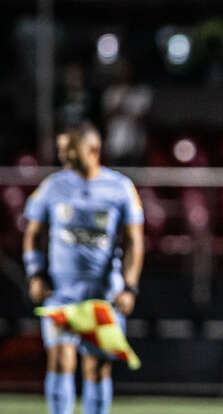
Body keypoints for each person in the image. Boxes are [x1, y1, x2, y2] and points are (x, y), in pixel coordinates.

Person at [22, 122, 144, 414]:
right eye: (61, 149)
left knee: (97, 366)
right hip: (60, 294)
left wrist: (129, 287)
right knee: (61, 359)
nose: (63, 155)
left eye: (69, 149)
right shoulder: (52, 186)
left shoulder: (120, 187)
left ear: (92, 149)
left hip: (104, 295)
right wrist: (35, 273)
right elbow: (32, 234)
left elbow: (134, 242)